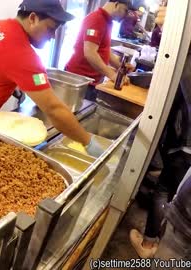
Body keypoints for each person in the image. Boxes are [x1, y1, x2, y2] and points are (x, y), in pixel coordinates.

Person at [0, 0, 105, 157]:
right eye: (51, 28)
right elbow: (54, 109)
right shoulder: (23, 54)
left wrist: (13, 83)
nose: (53, 36)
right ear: (33, 18)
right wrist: (87, 142)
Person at [129, 47, 191, 258]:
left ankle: (148, 244)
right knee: (173, 189)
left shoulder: (187, 63)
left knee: (164, 190)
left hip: (184, 144)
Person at [65, 0, 132, 101]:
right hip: (78, 79)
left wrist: (120, 67)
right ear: (116, 4)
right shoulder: (96, 20)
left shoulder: (107, 22)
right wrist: (112, 75)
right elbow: (90, 53)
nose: (126, 15)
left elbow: (105, 50)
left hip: (91, 81)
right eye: (125, 10)